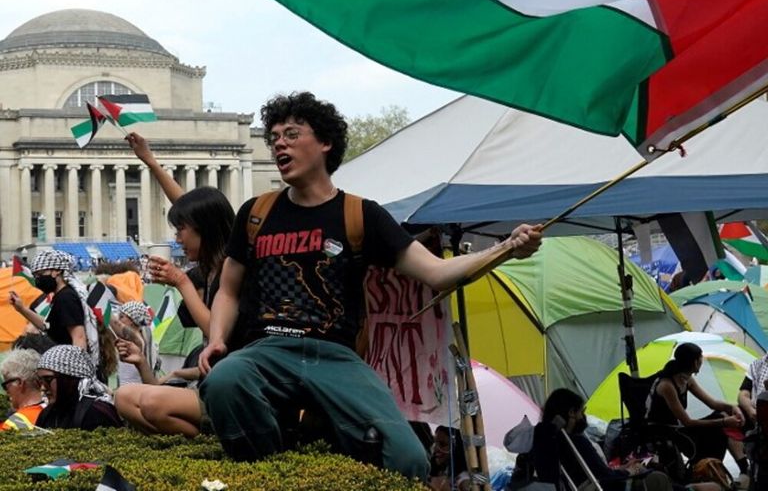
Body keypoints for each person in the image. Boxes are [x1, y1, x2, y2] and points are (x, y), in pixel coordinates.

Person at [198, 92, 542, 480]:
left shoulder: (360, 214)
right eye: (274, 136)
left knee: (408, 459)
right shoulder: (256, 213)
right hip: (267, 349)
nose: (279, 142)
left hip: (335, 357)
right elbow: (228, 289)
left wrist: (507, 249)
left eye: (291, 134)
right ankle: (273, 474)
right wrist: (216, 338)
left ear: (325, 143)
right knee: (224, 381)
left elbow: (437, 273)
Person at [115, 137, 233, 437]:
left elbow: (218, 334)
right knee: (123, 397)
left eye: (181, 230)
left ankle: (211, 438)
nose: (177, 238)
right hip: (203, 377)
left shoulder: (233, 270)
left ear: (203, 230)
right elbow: (189, 208)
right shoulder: (204, 270)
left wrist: (180, 282)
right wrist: (151, 162)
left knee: (154, 403)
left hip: (231, 384)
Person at [532, 388, 674, 491]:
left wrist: (622, 468)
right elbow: (604, 477)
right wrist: (632, 470)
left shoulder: (547, 442)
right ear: (571, 413)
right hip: (598, 486)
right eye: (582, 411)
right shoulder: (575, 442)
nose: (583, 417)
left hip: (591, 484)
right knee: (658, 479)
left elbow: (597, 472)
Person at [648, 342, 748, 479]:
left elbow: (712, 403)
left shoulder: (686, 379)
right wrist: (724, 422)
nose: (702, 361)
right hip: (666, 431)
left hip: (679, 427)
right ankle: (710, 470)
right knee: (719, 429)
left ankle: (739, 469)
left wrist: (733, 408)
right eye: (701, 358)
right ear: (695, 363)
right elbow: (687, 422)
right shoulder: (667, 385)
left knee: (720, 416)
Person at [9, 250, 100, 372]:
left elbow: (79, 337)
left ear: (57, 271)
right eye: (36, 276)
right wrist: (21, 309)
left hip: (72, 367)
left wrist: (76, 372)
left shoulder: (66, 298)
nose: (38, 279)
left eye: (41, 274)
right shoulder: (60, 296)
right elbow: (48, 325)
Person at [36, 345, 122, 430]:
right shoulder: (47, 414)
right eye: (40, 381)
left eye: (48, 379)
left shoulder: (96, 412)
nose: (43, 388)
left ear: (69, 379)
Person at [112, 301, 161, 386]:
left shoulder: (135, 339)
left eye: (121, 317)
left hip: (132, 390)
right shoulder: (144, 335)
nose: (119, 320)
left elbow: (113, 323)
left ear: (132, 320)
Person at [0, 349, 46, 431]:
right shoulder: (53, 410)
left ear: (19, 383)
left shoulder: (15, 423)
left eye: (5, 385)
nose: (6, 391)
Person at [429, 425, 470, 491]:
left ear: (456, 448)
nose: (436, 448)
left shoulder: (463, 478)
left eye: (442, 444)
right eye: (435, 443)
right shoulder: (439, 470)